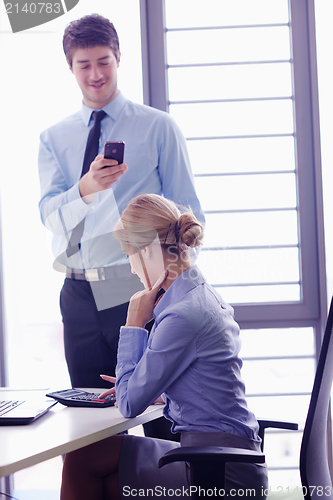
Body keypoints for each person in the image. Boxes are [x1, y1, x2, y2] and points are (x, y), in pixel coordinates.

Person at [38, 14, 204, 439]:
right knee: (89, 426)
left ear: (118, 58)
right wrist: (87, 188)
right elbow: (49, 216)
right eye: (84, 64)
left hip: (138, 287)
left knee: (157, 420)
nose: (95, 74)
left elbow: (189, 214)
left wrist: (173, 289)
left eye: (104, 61)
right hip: (77, 292)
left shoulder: (158, 127)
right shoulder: (53, 138)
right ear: (70, 67)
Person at [60, 194, 268, 500]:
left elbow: (130, 406)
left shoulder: (182, 315)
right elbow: (203, 383)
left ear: (146, 251)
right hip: (220, 454)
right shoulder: (197, 296)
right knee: (100, 475)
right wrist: (155, 389)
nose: (131, 269)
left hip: (219, 470)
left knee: (82, 461)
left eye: (128, 255)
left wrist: (133, 323)